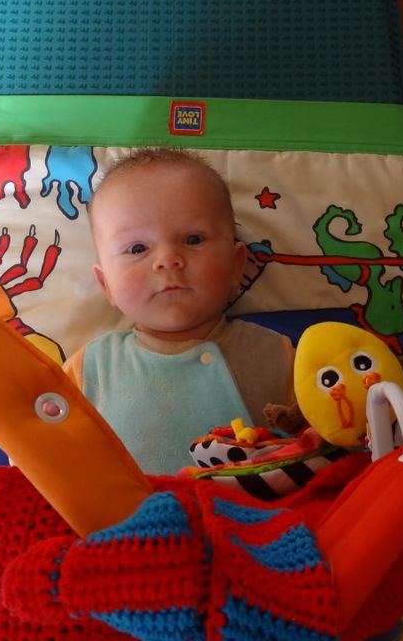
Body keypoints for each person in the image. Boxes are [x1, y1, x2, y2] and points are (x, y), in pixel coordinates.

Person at [63, 147, 294, 475]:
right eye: (137, 248)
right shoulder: (90, 368)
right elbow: (40, 450)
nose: (167, 260)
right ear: (106, 285)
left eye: (193, 239)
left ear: (236, 265)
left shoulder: (278, 355)